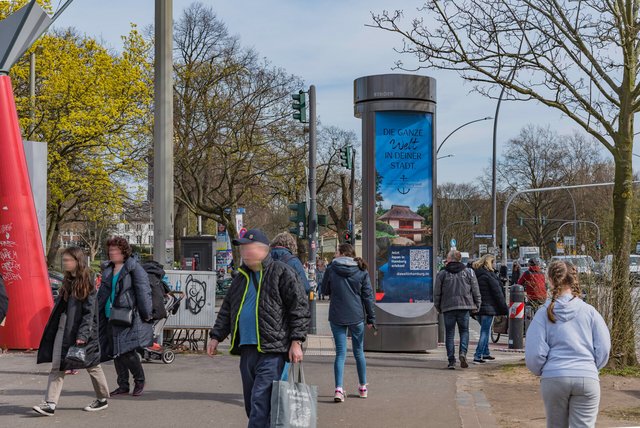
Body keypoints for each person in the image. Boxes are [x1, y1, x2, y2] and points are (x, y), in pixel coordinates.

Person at [207, 229, 309, 428]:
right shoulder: (240, 278)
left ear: (263, 250)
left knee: (260, 402)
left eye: (248, 247)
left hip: (273, 350)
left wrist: (296, 342)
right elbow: (227, 309)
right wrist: (216, 336)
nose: (244, 252)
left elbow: (299, 307)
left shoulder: (281, 272)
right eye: (242, 248)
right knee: (252, 404)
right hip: (247, 349)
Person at [525, 261, 610, 428]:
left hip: (554, 377)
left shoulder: (543, 312)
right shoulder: (590, 311)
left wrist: (544, 370)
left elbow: (535, 353)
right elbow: (604, 347)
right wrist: (592, 367)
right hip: (586, 377)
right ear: (574, 279)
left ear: (549, 280)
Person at [33, 247, 110, 416]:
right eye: (64, 259)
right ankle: (50, 404)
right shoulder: (68, 280)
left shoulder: (87, 282)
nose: (65, 263)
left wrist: (82, 335)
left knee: (92, 365)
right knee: (58, 365)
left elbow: (90, 312)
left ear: (77, 261)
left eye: (68, 260)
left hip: (82, 331)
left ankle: (102, 398)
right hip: (64, 328)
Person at [97, 236, 153, 397]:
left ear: (124, 252)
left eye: (115, 250)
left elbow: (143, 291)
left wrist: (147, 313)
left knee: (127, 351)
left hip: (127, 316)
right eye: (110, 250)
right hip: (109, 315)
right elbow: (103, 294)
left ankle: (139, 380)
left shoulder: (134, 268)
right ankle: (122, 384)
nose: (112, 253)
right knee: (115, 351)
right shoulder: (107, 269)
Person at [321, 244, 375, 402]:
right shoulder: (361, 270)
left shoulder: (331, 269)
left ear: (343, 253)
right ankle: (363, 387)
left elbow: (324, 290)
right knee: (359, 352)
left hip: (337, 315)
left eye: (336, 252)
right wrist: (371, 318)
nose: (335, 254)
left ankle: (338, 389)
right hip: (356, 316)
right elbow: (368, 297)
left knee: (340, 353)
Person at [434, 249, 481, 370]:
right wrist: (477, 304)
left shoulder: (442, 273)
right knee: (464, 331)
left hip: (448, 307)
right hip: (464, 306)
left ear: (449, 259)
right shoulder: (469, 272)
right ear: (460, 259)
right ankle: (463, 353)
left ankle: (451, 361)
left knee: (449, 334)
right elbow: (475, 290)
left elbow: (437, 293)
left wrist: (438, 306)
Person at [471, 254, 508, 364]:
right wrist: (504, 309)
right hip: (488, 308)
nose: (494, 264)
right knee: (485, 332)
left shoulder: (475, 274)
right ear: (489, 263)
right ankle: (478, 355)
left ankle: (486, 353)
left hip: (477, 308)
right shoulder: (489, 276)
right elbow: (497, 293)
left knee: (485, 330)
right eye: (493, 262)